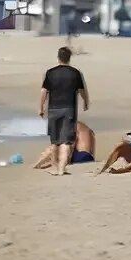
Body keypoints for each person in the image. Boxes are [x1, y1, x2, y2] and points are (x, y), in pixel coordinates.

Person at [38, 46, 89, 176]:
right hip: (69, 109)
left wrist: (40, 107)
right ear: (69, 58)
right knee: (66, 141)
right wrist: (85, 102)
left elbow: (43, 91)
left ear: (58, 57)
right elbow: (82, 91)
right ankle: (62, 169)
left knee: (55, 141)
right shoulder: (75, 73)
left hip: (53, 109)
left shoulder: (50, 73)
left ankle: (55, 168)